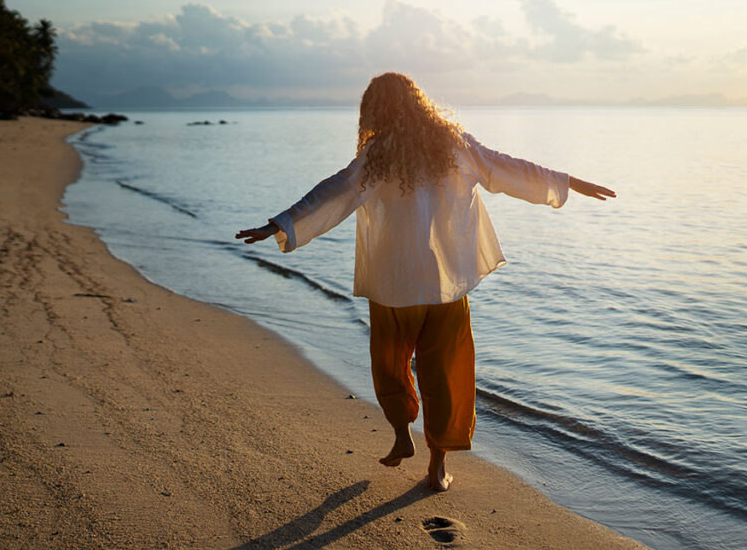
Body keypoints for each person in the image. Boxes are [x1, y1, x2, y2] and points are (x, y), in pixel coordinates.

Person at [236, 72, 615, 492]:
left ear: (374, 111)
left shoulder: (377, 155)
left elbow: (336, 193)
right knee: (446, 372)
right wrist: (566, 181)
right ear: (419, 103)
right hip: (443, 286)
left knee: (389, 363)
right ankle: (437, 465)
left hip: (393, 285)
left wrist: (282, 222)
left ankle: (402, 436)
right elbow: (506, 168)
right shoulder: (454, 145)